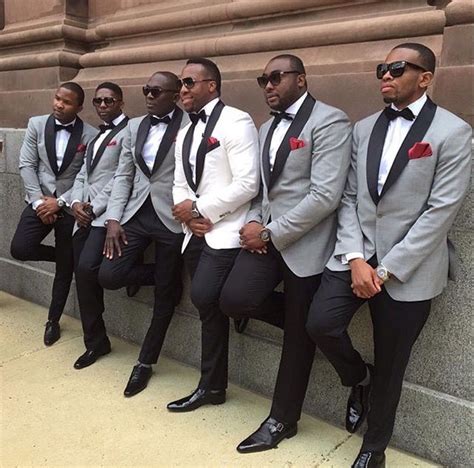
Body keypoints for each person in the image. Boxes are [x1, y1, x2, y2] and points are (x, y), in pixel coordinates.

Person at [306, 43, 472, 468]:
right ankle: (359, 379)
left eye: (398, 68)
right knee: (320, 323)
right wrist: (357, 258)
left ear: (425, 77)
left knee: (393, 363)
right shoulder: (362, 129)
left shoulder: (453, 133)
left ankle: (373, 449)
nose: (386, 74)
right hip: (356, 256)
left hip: (410, 270)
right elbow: (347, 197)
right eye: (382, 68)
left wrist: (388, 268)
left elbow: (440, 213)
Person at [219, 54, 352, 452]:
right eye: (263, 80)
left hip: (306, 244)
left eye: (276, 77)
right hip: (268, 239)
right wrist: (257, 223)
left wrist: (271, 233)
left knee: (298, 336)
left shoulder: (330, 121)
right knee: (234, 299)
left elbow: (325, 195)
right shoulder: (265, 127)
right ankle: (310, 332)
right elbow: (264, 188)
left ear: (302, 79)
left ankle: (282, 420)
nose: (268, 86)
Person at [167, 57, 259, 412]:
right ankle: (213, 387)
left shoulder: (237, 121)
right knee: (208, 307)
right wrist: (189, 215)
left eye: (190, 82)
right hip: (195, 232)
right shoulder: (186, 130)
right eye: (181, 82)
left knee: (206, 296)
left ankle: (210, 383)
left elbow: (248, 183)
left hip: (227, 232)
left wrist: (202, 210)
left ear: (212, 86)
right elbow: (179, 183)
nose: (183, 89)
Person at [97, 71, 188, 397]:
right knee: (109, 274)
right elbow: (123, 175)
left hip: (171, 219)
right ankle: (167, 277)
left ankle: (145, 363)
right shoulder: (134, 127)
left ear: (175, 95)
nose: (149, 96)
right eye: (146, 90)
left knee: (164, 297)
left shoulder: (190, 125)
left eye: (156, 91)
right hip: (134, 216)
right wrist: (113, 218)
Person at [10, 82, 97, 346]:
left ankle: (53, 320)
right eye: (57, 98)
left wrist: (59, 202)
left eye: (66, 102)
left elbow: (85, 176)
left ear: (79, 107)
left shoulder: (90, 135)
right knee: (20, 249)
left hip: (68, 205)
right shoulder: (36, 124)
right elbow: (27, 164)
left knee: (63, 274)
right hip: (38, 201)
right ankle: (63, 258)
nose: (59, 104)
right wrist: (39, 203)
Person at [69, 82, 129, 369]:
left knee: (87, 269)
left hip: (106, 216)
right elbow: (84, 173)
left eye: (108, 101)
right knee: (81, 274)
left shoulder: (128, 132)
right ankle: (96, 342)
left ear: (120, 102)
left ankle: (152, 277)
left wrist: (93, 208)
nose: (103, 106)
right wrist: (76, 203)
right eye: (98, 101)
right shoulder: (95, 136)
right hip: (84, 214)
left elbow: (122, 177)